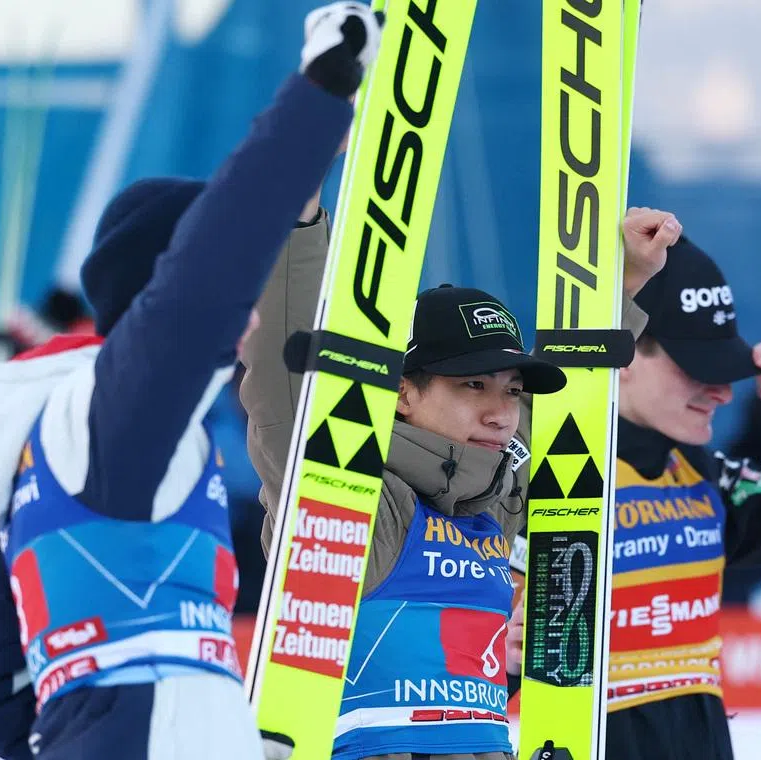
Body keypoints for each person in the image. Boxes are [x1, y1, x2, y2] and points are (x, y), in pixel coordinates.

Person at [0, 4, 382, 758]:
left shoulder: (66, 442)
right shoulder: (113, 419)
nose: (247, 310)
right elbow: (209, 269)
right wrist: (319, 95)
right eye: (247, 290)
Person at [238, 193, 682, 760]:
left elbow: (566, 410)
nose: (501, 411)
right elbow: (286, 378)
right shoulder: (354, 499)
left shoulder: (492, 498)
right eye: (473, 384)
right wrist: (296, 215)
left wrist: (620, 284)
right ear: (402, 391)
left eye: (513, 390)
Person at [506, 236, 761, 759]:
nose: (722, 392)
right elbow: (471, 672)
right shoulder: (530, 477)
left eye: (725, 370)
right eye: (699, 368)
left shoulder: (704, 478)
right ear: (623, 356)